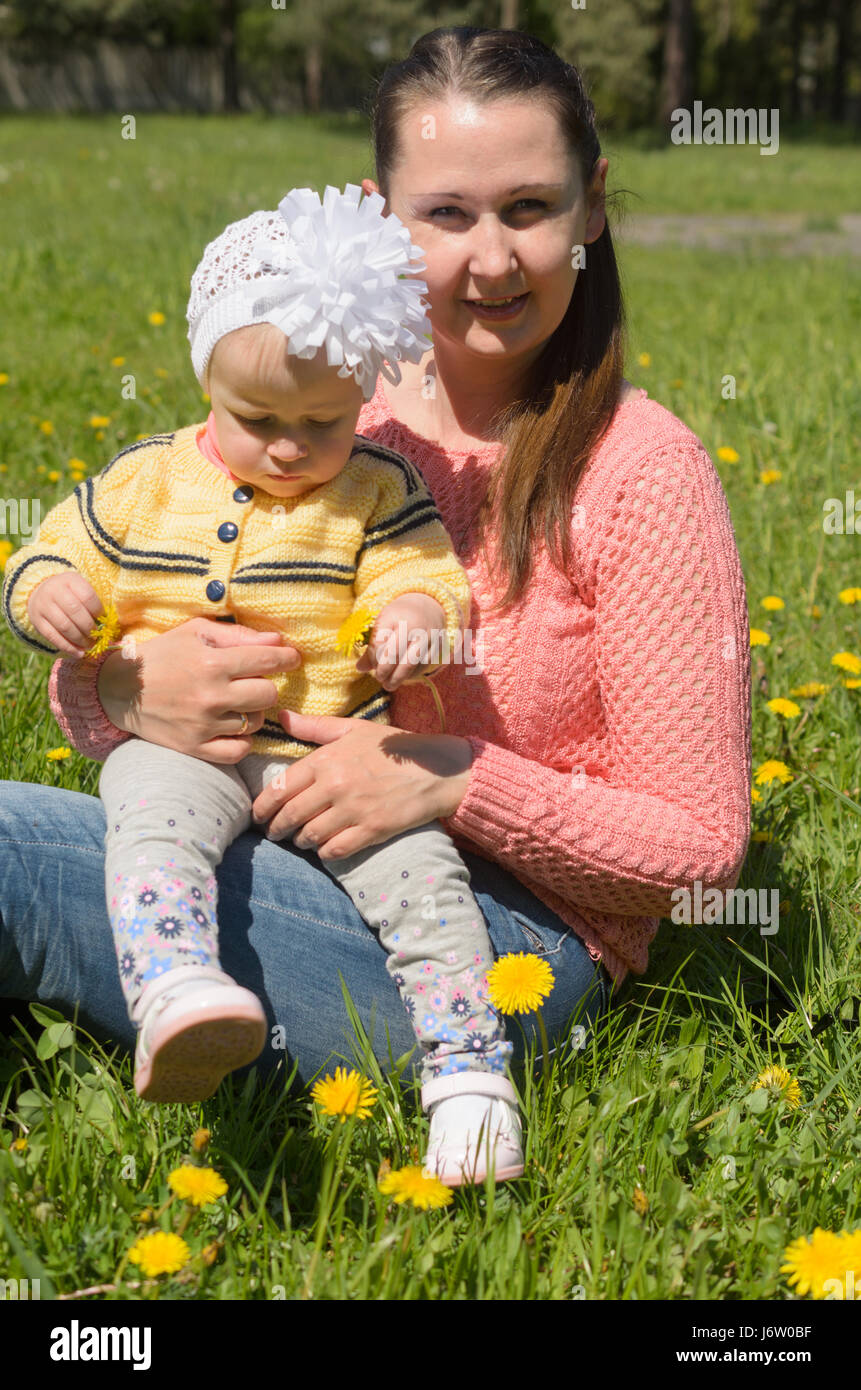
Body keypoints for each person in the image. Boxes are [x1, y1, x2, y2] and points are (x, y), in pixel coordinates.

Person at [0, 27, 750, 1174]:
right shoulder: (321, 413)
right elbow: (146, 586)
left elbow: (700, 854)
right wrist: (117, 687)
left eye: (529, 208)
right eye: (446, 214)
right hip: (269, 825)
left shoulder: (641, 471)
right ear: (374, 216)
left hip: (499, 951)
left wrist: (447, 779)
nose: (491, 258)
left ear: (593, 207)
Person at [3, 184, 526, 1186]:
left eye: (322, 422)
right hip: (185, 749)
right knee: (151, 830)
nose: (289, 447)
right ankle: (175, 988)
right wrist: (54, 600)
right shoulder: (144, 480)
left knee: (423, 877)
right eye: (257, 418)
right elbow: (46, 555)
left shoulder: (376, 486)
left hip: (336, 760)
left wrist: (414, 622)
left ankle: (469, 1074)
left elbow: (420, 574)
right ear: (204, 381)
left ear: (359, 405)